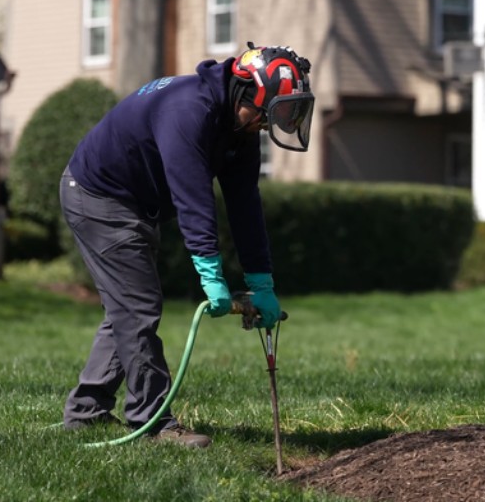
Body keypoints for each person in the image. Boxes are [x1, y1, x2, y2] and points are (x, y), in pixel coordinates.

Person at [59, 43, 315, 447]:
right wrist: (211, 276)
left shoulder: (239, 127)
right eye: (265, 116)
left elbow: (245, 206)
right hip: (98, 194)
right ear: (243, 93)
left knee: (128, 308)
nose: (264, 127)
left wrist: (261, 282)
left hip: (137, 203)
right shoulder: (188, 112)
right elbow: (193, 199)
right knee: (138, 307)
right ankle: (153, 423)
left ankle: (85, 412)